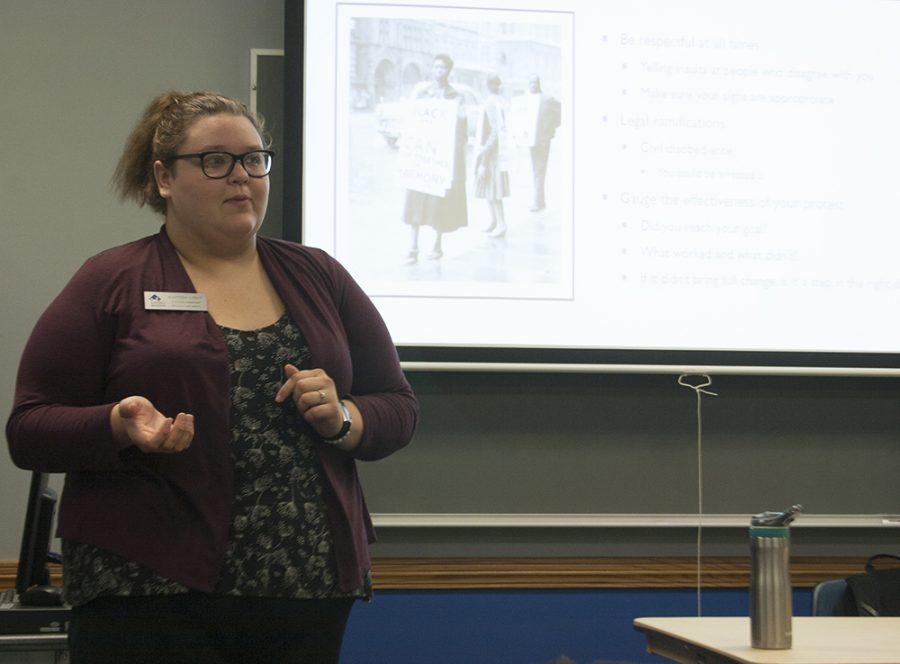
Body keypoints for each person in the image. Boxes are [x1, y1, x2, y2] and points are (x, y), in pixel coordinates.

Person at [6, 90, 418, 664]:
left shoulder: (318, 274)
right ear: (163, 178)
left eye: (254, 159)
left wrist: (345, 417)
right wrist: (118, 424)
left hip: (303, 583)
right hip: (145, 586)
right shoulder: (112, 279)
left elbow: (397, 405)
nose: (241, 176)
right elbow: (29, 428)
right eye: (215, 161)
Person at [401, 53, 468, 263]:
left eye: (443, 68)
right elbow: (412, 121)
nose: (439, 71)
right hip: (423, 158)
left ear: (449, 71)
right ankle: (413, 248)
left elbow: (463, 129)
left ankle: (437, 246)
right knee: (416, 201)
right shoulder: (422, 94)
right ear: (432, 69)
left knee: (439, 202)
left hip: (442, 160)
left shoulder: (457, 96)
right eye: (436, 67)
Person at [474, 74, 510, 238]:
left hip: (492, 152)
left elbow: (494, 130)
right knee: (489, 187)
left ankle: (501, 223)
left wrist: (484, 151)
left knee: (494, 190)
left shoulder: (490, 102)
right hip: (497, 149)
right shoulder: (501, 101)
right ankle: (494, 220)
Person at [526, 74, 561, 212]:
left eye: (534, 82)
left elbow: (561, 112)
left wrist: (551, 129)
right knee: (536, 171)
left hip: (542, 141)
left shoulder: (547, 99)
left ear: (539, 84)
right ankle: (541, 201)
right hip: (531, 141)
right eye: (530, 83)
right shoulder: (529, 100)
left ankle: (537, 203)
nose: (532, 85)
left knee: (539, 171)